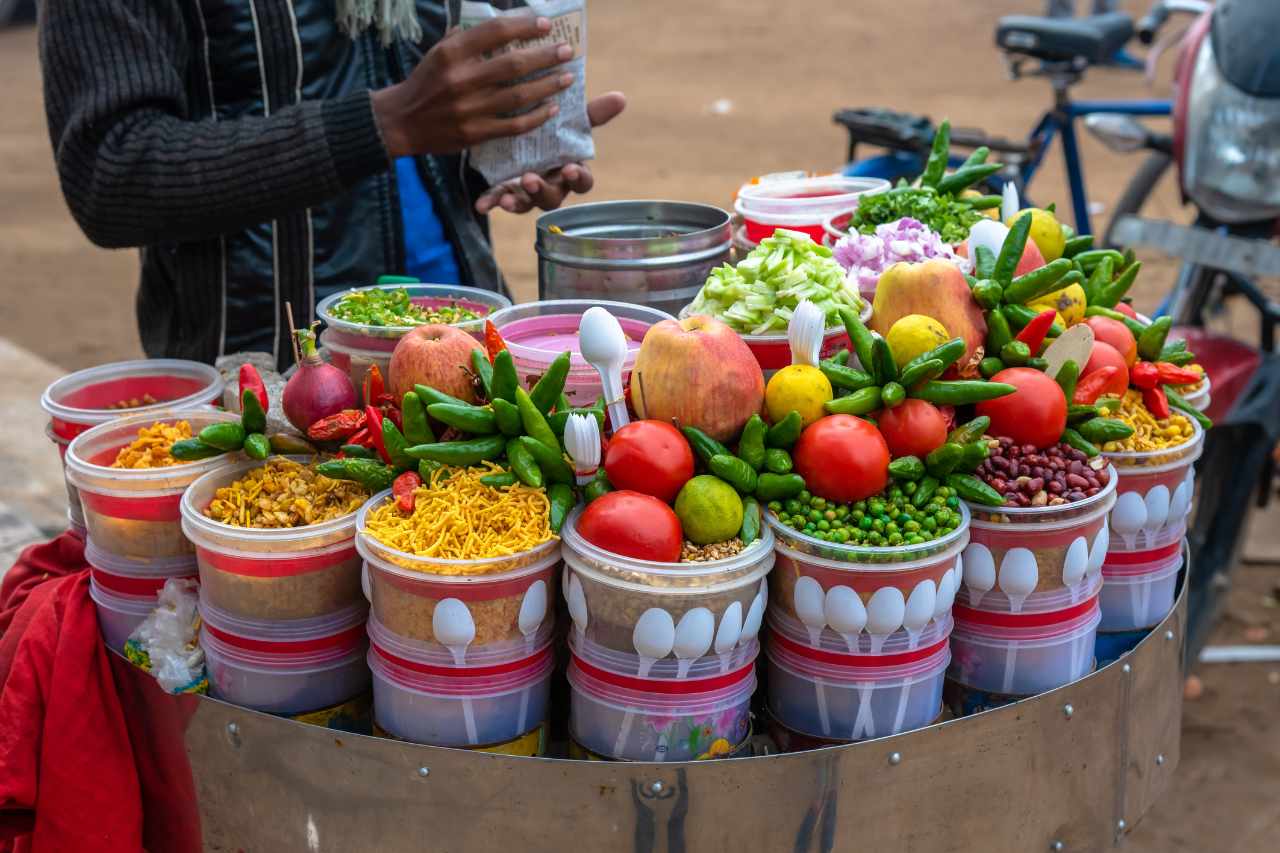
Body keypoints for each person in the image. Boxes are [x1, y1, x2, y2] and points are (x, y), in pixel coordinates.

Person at [39, 2, 625, 370]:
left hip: (466, 349)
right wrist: (383, 124)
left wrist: (505, 152)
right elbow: (111, 173)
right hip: (273, 380)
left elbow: (425, 105)